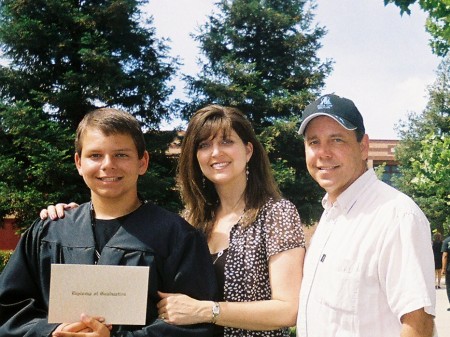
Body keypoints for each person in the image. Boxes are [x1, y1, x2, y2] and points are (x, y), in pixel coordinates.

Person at [40, 105, 306, 337]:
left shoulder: (275, 213)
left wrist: (205, 310)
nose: (215, 153)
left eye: (226, 141)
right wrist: (75, 218)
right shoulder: (192, 220)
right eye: (204, 145)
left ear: (248, 150)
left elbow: (288, 309)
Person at [0, 108, 218, 337]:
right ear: (78, 163)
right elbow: (9, 309)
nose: (108, 165)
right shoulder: (50, 231)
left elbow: (196, 326)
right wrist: (53, 331)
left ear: (142, 162)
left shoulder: (176, 236)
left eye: (121, 154)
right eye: (95, 155)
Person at [296, 94, 436, 337]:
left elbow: (418, 326)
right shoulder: (331, 214)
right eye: (313, 142)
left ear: (363, 147)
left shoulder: (396, 216)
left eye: (337, 140)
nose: (323, 153)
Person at [441, 234, 450, 310]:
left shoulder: (447, 241)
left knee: (449, 287)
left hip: (449, 269)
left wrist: (443, 268)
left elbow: (445, 255)